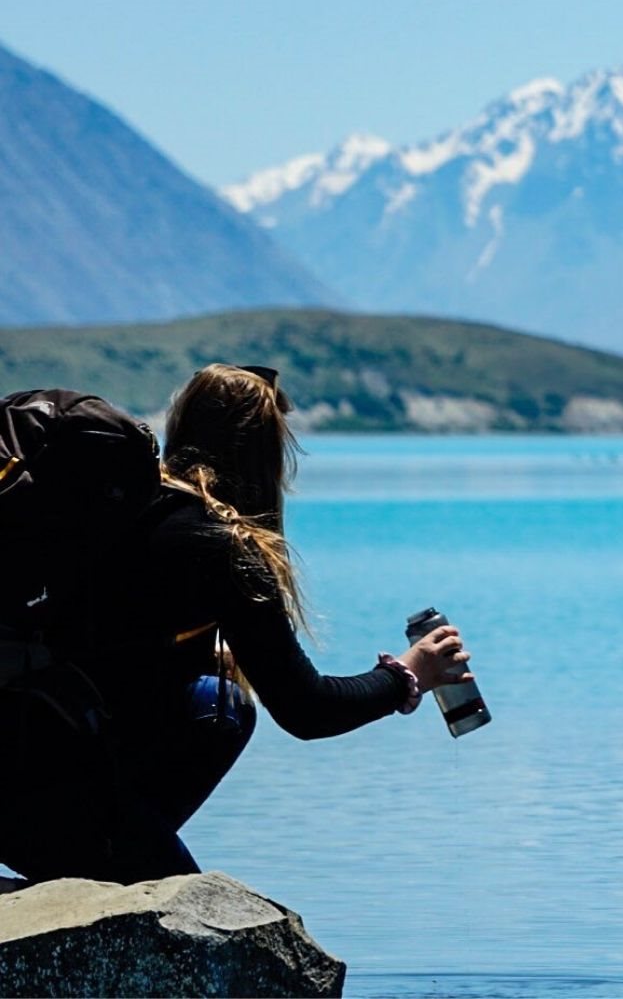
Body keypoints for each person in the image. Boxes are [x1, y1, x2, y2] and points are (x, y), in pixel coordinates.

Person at [0, 364, 472, 884]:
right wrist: (408, 674)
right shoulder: (219, 545)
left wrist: (189, 653)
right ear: (267, 455)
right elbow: (307, 710)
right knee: (223, 705)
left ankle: (115, 855)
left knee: (216, 694)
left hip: (15, 770)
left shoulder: (110, 511)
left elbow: (104, 642)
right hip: (56, 801)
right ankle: (116, 859)